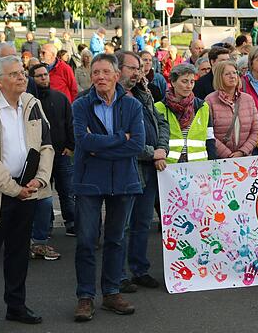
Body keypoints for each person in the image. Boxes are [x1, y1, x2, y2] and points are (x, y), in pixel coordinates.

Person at [0, 55, 54, 332]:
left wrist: (39, 181)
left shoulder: (33, 104)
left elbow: (47, 146)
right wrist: (15, 189)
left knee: (18, 254)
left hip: (27, 192)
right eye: (14, 74)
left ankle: (16, 306)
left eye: (22, 73)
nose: (21, 77)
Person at [71, 53, 145, 322]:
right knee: (87, 241)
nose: (100, 77)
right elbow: (82, 141)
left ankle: (112, 293)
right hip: (89, 181)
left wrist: (100, 144)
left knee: (116, 239)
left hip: (123, 181)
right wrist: (118, 139)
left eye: (105, 72)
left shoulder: (133, 105)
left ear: (117, 75)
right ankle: (85, 297)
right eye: (95, 72)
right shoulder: (80, 105)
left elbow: (136, 145)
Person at [117, 51, 170, 293]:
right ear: (117, 70)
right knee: (121, 225)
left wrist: (162, 148)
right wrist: (152, 153)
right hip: (127, 169)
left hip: (149, 169)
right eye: (131, 68)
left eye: (139, 68)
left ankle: (139, 270)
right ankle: (118, 275)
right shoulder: (112, 98)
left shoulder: (144, 93)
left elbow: (161, 122)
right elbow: (121, 139)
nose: (137, 73)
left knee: (142, 222)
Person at [29, 63, 75, 259]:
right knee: (43, 196)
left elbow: (70, 122)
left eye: (45, 75)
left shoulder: (60, 98)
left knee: (67, 191)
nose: (43, 78)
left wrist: (71, 146)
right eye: (38, 76)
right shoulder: (30, 101)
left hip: (62, 154)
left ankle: (72, 223)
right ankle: (44, 227)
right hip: (39, 158)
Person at [155, 64, 217, 163]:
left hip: (198, 165)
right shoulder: (159, 107)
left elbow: (209, 138)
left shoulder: (202, 106)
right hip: (168, 166)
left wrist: (213, 163)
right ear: (173, 82)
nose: (189, 86)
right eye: (184, 81)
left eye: (192, 82)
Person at [206, 60, 258, 158]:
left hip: (245, 158)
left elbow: (256, 130)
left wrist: (243, 151)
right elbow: (208, 133)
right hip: (220, 160)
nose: (232, 76)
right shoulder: (210, 101)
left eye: (234, 72)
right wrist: (228, 155)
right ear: (219, 77)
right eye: (227, 74)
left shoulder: (248, 99)